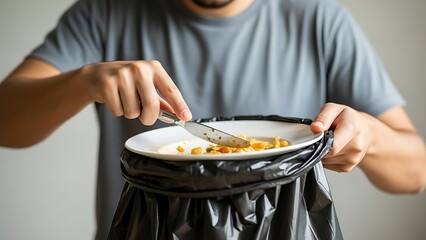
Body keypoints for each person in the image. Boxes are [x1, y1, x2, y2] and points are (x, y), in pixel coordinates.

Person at [0, 0, 425, 239]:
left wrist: (368, 137)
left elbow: (416, 170)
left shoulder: (319, 19)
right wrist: (83, 81)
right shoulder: (104, 13)